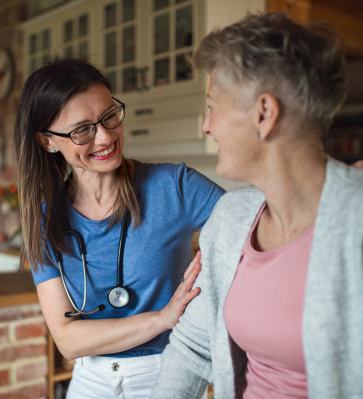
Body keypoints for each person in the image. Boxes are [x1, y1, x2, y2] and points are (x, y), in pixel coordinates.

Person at [149, 13, 363, 399]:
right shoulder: (230, 218)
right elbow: (191, 349)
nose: (207, 125)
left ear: (264, 114)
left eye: (213, 105)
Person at [14, 57, 225, 398]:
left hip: (169, 374)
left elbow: (254, 231)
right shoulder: (44, 220)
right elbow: (67, 339)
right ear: (47, 141)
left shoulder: (176, 186)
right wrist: (162, 318)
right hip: (89, 382)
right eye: (83, 129)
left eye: (109, 116)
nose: (105, 137)